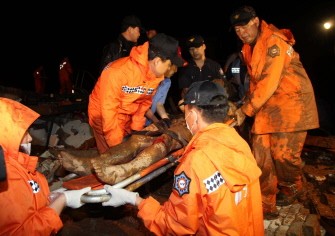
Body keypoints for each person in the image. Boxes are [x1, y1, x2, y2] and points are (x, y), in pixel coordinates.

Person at [101, 80, 264, 235]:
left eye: (185, 113)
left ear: (193, 115)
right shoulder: (239, 143)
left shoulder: (196, 162)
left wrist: (135, 200)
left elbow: (175, 225)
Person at [230, 5, 319, 219]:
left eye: (244, 26)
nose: (241, 32)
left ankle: (292, 187)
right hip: (267, 107)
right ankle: (265, 202)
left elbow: (269, 81)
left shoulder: (274, 42)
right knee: (260, 156)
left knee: (283, 156)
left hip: (291, 107)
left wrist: (246, 110)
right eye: (236, 29)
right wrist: (245, 103)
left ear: (256, 21)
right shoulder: (247, 48)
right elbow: (255, 83)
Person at [0, 97, 92, 235]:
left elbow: (27, 205)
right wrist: (62, 201)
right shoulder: (8, 177)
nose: (30, 138)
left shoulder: (17, 167)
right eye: (23, 133)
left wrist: (48, 199)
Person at [88, 33, 184, 154]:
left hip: (127, 114)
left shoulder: (154, 78)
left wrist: (136, 130)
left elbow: (144, 103)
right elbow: (108, 111)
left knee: (132, 148)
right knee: (112, 155)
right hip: (102, 117)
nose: (169, 69)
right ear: (157, 61)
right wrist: (116, 145)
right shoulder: (117, 72)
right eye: (169, 65)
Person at [145, 47, 187, 128]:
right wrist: (157, 121)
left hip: (146, 123)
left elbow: (159, 103)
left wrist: (166, 119)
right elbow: (141, 106)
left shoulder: (167, 82)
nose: (176, 70)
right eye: (174, 66)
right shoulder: (147, 78)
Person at [178, 34, 225, 99]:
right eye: (191, 49)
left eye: (197, 47)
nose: (194, 51)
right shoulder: (185, 68)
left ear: (204, 46)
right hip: (194, 104)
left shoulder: (215, 66)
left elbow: (222, 84)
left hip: (213, 103)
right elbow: (186, 91)